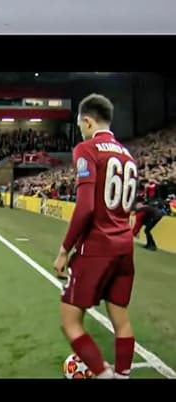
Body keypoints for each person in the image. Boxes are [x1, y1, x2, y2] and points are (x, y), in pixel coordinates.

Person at [53, 94, 138, 379]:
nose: (81, 130)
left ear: (87, 121)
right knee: (121, 320)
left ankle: (102, 375)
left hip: (97, 248)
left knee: (70, 321)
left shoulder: (87, 149)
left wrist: (65, 249)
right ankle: (123, 376)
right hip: (125, 247)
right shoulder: (128, 155)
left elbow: (86, 207)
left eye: (80, 126)